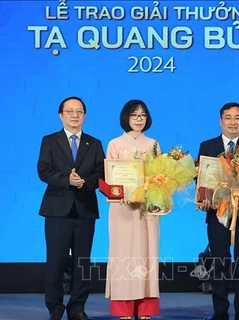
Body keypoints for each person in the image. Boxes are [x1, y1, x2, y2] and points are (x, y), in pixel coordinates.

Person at [37, 96, 105, 320]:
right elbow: (44, 171)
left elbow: (101, 173)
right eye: (70, 111)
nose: (75, 115)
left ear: (84, 115)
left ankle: (77, 308)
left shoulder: (94, 143)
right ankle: (55, 308)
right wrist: (67, 179)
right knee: (55, 262)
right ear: (61, 115)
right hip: (57, 210)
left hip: (85, 209)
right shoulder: (50, 140)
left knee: (82, 263)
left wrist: (84, 183)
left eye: (79, 111)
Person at [197, 102, 239, 320]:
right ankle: (220, 310)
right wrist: (204, 199)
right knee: (219, 263)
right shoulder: (208, 146)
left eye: (237, 118)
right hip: (217, 214)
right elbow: (202, 179)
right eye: (228, 117)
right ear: (220, 121)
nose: (233, 122)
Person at [105, 99, 160, 320]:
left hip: (146, 208)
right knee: (123, 255)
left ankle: (145, 309)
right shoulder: (115, 144)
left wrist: (151, 188)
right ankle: (124, 310)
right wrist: (124, 194)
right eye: (134, 115)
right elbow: (111, 179)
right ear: (126, 117)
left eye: (143, 115)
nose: (139, 119)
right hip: (122, 209)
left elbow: (159, 176)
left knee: (147, 255)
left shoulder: (154, 144)